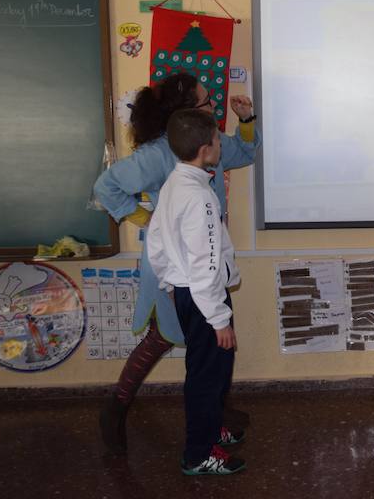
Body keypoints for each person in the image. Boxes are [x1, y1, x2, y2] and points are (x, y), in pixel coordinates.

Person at [94, 73, 261, 454]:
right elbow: (106, 187)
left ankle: (215, 414)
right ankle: (116, 408)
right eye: (206, 102)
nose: (214, 106)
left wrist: (247, 121)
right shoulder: (157, 154)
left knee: (212, 340)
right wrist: (146, 218)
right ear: (186, 111)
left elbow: (245, 152)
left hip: (204, 259)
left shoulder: (207, 141)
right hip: (174, 265)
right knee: (165, 337)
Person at [147, 108, 246, 475]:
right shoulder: (198, 197)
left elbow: (155, 243)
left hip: (190, 292)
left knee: (212, 371)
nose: (221, 145)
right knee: (207, 376)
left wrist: (169, 282)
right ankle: (199, 454)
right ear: (206, 149)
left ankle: (211, 430)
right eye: (218, 139)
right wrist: (218, 318)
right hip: (205, 298)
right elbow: (206, 262)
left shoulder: (175, 184)